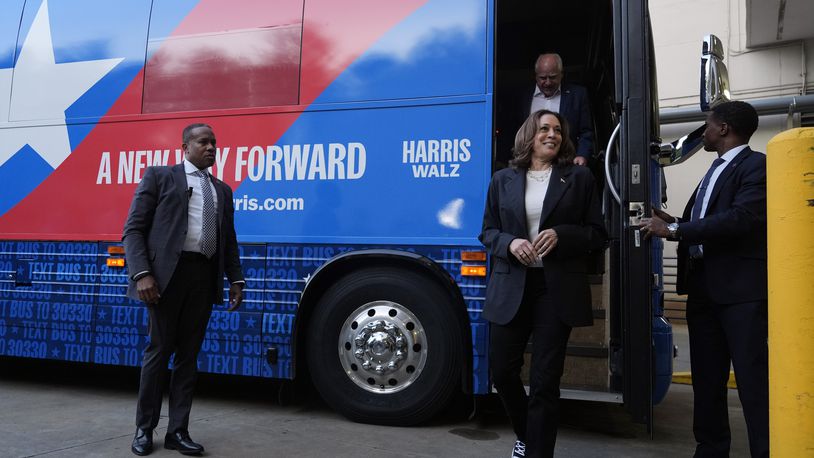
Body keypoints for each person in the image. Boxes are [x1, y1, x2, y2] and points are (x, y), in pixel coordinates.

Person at [639, 100, 768, 457]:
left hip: (740, 294)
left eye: (708, 125)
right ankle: (710, 450)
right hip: (703, 291)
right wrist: (668, 218)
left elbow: (740, 219)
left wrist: (675, 229)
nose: (704, 132)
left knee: (752, 382)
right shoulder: (714, 169)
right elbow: (706, 218)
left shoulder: (756, 166)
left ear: (724, 128)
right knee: (708, 381)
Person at [480, 110, 606, 457]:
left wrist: (561, 235)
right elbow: (488, 231)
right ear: (529, 136)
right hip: (511, 287)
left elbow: (598, 233)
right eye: (544, 128)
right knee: (502, 371)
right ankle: (526, 434)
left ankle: (537, 452)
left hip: (555, 289)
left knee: (545, 381)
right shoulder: (502, 179)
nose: (552, 134)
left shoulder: (579, 178)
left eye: (558, 130)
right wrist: (509, 243)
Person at [123, 123, 245, 456]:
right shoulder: (160, 177)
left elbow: (228, 240)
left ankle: (178, 431)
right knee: (159, 351)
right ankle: (144, 430)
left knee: (188, 357)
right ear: (185, 147)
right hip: (165, 279)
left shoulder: (222, 190)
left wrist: (236, 279)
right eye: (204, 142)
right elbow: (133, 230)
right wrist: (142, 274)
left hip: (203, 278)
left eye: (215, 143)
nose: (211, 147)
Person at [527, 53, 594, 166]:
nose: (547, 82)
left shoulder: (577, 95)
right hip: (530, 163)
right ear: (535, 76)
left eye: (552, 77)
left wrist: (582, 155)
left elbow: (586, 131)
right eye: (543, 78)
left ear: (561, 74)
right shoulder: (523, 96)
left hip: (566, 163)